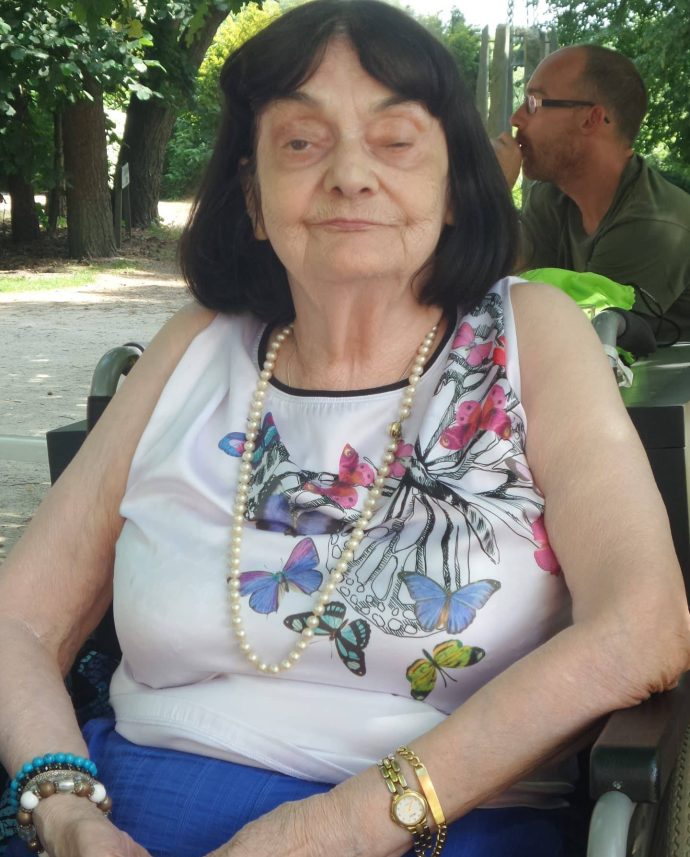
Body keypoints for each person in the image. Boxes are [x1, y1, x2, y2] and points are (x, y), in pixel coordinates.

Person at [0, 3, 689, 856]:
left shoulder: (532, 335)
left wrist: (335, 828)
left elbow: (645, 626)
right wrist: (62, 805)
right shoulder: (196, 344)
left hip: (437, 821)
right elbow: (19, 619)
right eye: (301, 142)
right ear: (253, 199)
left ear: (453, 188)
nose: (351, 174)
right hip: (127, 807)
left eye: (395, 141)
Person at [493, 44, 690, 342]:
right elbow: (510, 284)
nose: (516, 118)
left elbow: (569, 336)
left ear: (591, 119)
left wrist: (492, 199)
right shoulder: (551, 198)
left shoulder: (654, 223)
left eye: (533, 103)